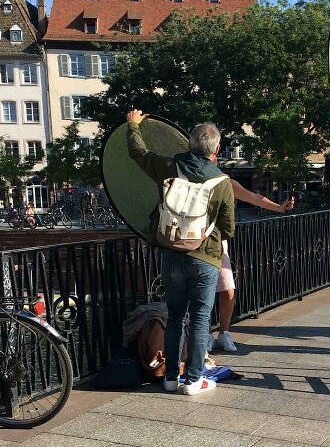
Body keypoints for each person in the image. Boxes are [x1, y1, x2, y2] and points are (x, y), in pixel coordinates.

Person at [126, 109, 234, 395]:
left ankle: (171, 378)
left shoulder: (169, 167)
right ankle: (194, 379)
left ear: (188, 144)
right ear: (217, 149)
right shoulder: (222, 182)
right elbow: (229, 228)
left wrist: (133, 126)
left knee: (175, 317)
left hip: (171, 254)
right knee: (200, 319)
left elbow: (138, 153)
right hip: (205, 258)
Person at [209, 181, 294, 353]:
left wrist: (279, 207)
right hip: (199, 242)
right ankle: (205, 334)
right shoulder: (195, 178)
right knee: (203, 293)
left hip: (218, 245)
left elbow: (253, 197)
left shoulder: (226, 182)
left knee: (228, 290)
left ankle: (224, 332)